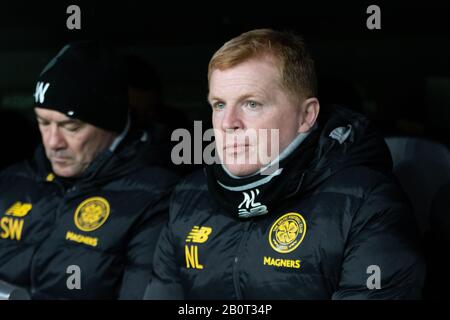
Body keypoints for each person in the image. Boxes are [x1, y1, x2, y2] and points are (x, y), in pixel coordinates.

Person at [145, 29, 425, 299]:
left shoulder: (366, 203)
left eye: (251, 104)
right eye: (219, 105)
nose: (228, 123)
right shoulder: (188, 197)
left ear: (306, 116)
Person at [0, 41, 178, 299]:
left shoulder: (157, 199)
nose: (53, 142)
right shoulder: (11, 181)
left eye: (70, 127)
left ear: (111, 124)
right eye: (43, 122)